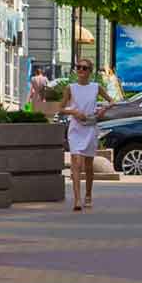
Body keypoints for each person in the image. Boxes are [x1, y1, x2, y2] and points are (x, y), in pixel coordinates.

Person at [62, 58, 106, 212]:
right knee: (76, 161)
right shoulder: (70, 88)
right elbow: (61, 108)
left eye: (84, 68)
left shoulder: (96, 87)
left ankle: (88, 194)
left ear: (90, 71)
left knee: (88, 165)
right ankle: (77, 199)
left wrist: (102, 110)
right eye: (78, 67)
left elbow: (112, 101)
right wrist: (73, 111)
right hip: (76, 127)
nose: (81, 70)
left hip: (90, 128)